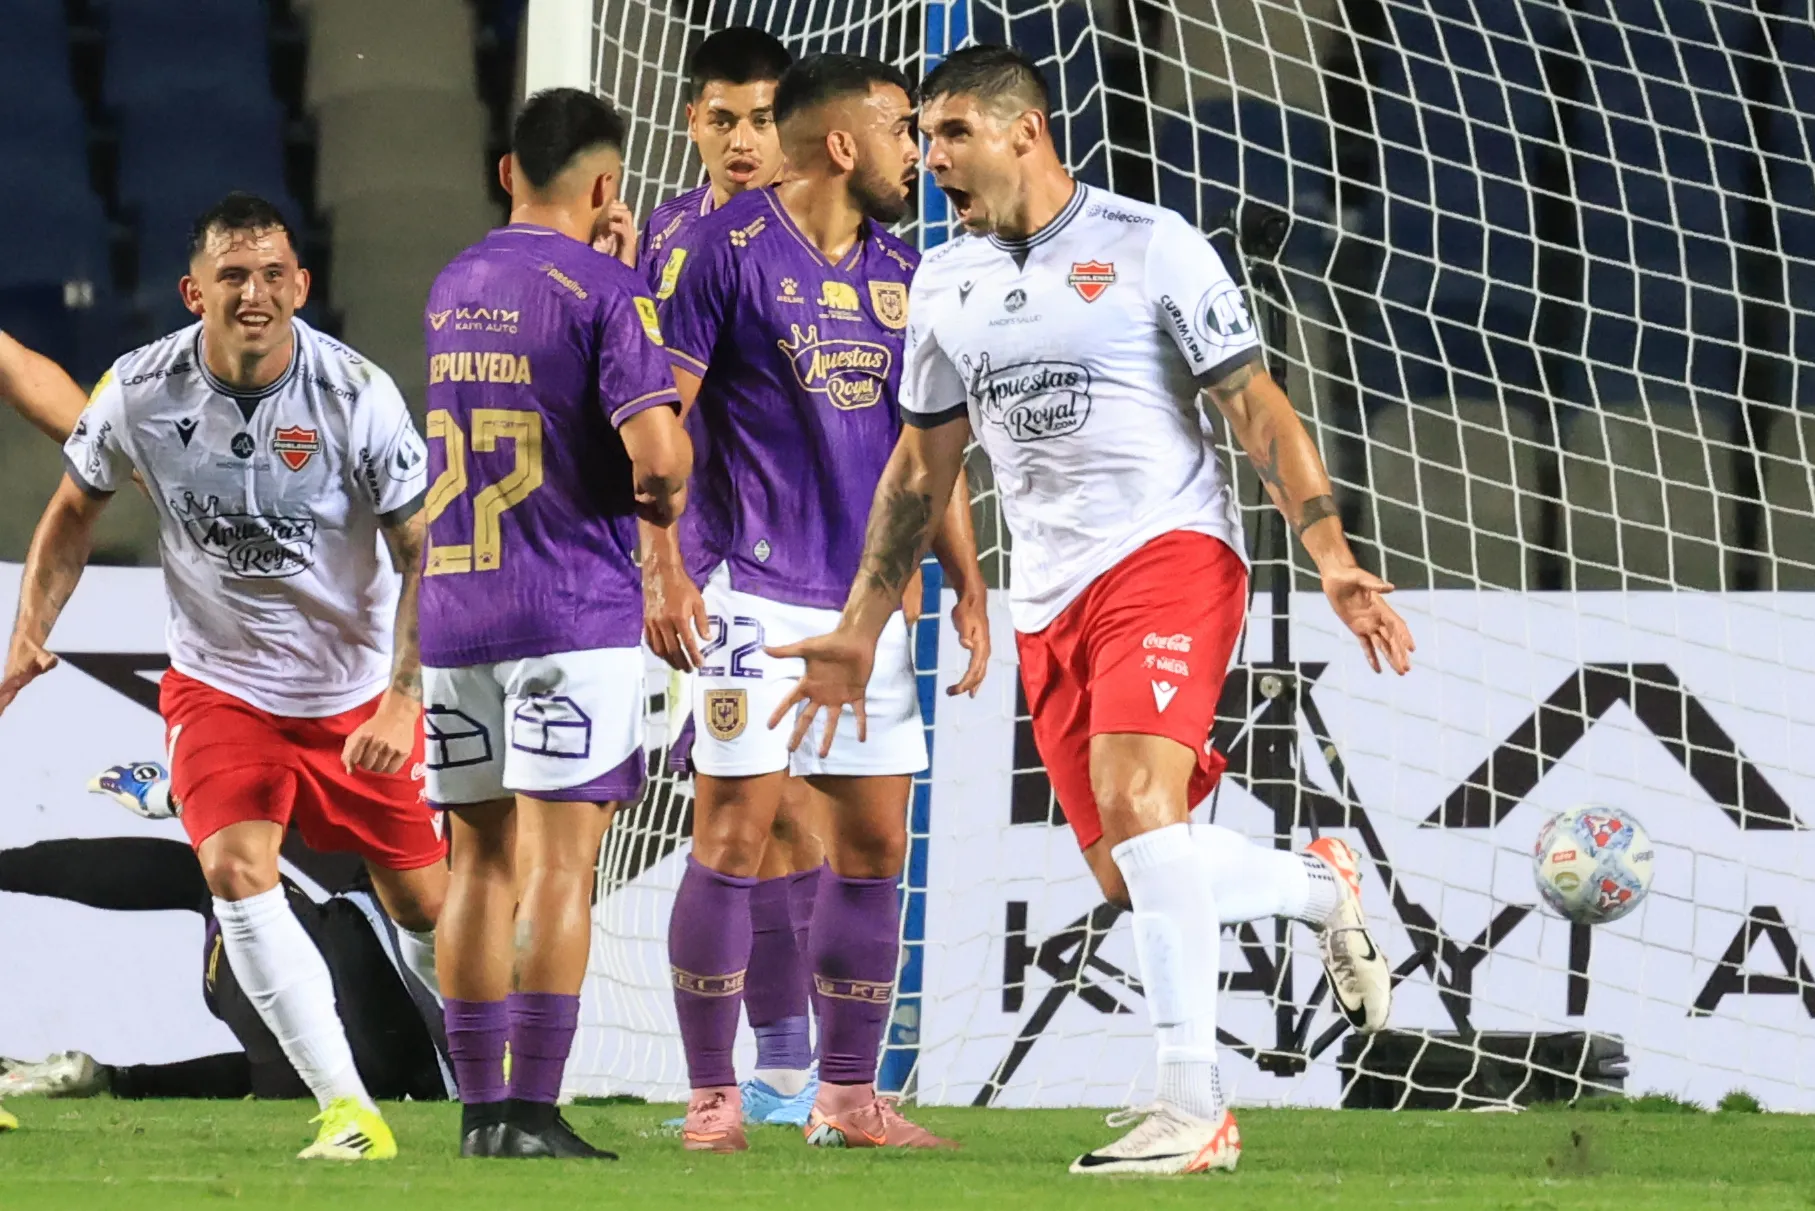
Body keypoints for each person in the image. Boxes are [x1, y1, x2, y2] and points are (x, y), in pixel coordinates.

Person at [772, 45, 1412, 1176]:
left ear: (1027, 130)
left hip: (1171, 554)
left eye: (953, 134)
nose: (931, 160)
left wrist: (1331, 551)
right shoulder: (943, 284)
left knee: (1135, 795)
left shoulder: (1148, 244)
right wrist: (862, 624)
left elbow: (1256, 405)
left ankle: (1191, 1103)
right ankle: (1318, 884)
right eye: (923, 139)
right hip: (1051, 592)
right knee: (1131, 864)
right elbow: (923, 472)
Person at [0, 193, 445, 1162]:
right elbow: (74, 506)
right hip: (220, 685)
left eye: (273, 273)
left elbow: (426, 550)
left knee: (423, 906)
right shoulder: (144, 388)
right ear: (192, 289)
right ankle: (347, 1112)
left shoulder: (358, 395)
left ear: (302, 284)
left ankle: (476, 1072)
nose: (256, 292)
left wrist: (407, 694)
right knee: (235, 871)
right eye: (233, 276)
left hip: (352, 693)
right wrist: (32, 630)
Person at [649, 52, 988, 1153]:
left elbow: (927, 453)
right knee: (734, 835)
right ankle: (715, 1093)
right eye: (902, 130)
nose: (917, 156)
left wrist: (967, 577)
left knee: (875, 841)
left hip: (869, 609)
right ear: (844, 143)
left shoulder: (912, 272)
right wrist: (663, 563)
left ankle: (847, 1097)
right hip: (753, 596)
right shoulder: (719, 250)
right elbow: (664, 421)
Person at [421, 88, 692, 1161]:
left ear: (505, 174)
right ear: (605, 187)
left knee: (476, 861)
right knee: (558, 869)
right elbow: (661, 457)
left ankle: (480, 1111)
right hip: (568, 612)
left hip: (456, 611)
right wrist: (658, 509)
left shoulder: (452, 283)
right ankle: (535, 1107)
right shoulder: (606, 288)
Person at [633, 25, 831, 1129]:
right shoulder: (672, 232)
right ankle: (784, 1073)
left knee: (782, 816)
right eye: (725, 118)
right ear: (694, 123)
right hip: (708, 565)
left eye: (763, 117)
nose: (745, 139)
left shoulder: (824, 236)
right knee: (754, 815)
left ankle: (792, 1073)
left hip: (805, 564)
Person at [0, 764, 452, 1104]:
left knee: (212, 877)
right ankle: (110, 1080)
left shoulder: (471, 790)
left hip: (323, 976)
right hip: (335, 1072)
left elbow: (354, 806)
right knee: (286, 1068)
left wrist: (179, 799)